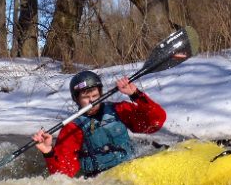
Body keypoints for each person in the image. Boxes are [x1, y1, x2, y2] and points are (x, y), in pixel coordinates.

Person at [32, 70, 166, 177]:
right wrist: (48, 151)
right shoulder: (72, 128)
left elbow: (156, 121)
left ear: (101, 94)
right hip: (102, 180)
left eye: (95, 96)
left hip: (131, 169)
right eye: (85, 97)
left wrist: (136, 95)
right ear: (76, 99)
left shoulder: (119, 110)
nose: (91, 101)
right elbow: (63, 175)